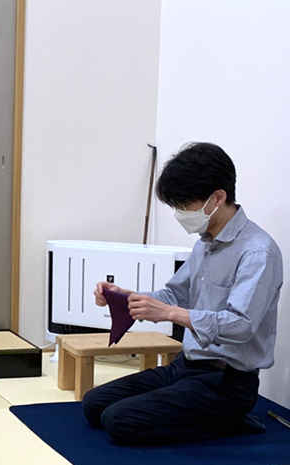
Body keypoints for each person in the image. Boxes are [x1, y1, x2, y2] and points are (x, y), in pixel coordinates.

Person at [83, 142, 283, 445]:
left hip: (227, 382)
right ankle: (208, 415)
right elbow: (175, 296)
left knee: (118, 421)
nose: (180, 214)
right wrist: (125, 296)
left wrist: (168, 314)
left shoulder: (258, 252)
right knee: (94, 404)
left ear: (218, 197)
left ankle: (231, 422)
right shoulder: (205, 242)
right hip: (186, 365)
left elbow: (241, 325)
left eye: (184, 205)